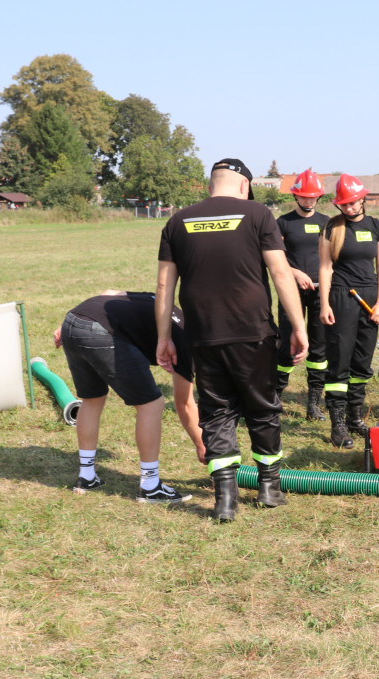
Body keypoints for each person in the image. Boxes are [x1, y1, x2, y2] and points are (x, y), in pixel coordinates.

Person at [156, 158, 309, 522]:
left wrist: (165, 337)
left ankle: (225, 499)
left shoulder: (177, 221)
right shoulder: (257, 214)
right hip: (252, 331)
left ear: (212, 185)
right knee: (262, 407)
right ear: (244, 186)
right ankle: (269, 488)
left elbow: (164, 286)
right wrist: (299, 327)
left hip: (202, 335)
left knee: (216, 411)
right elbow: (280, 272)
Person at [54, 290, 204, 502]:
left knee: (92, 399)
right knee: (151, 404)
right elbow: (184, 404)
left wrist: (73, 327)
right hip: (101, 331)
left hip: (74, 320)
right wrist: (202, 445)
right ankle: (151, 486)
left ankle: (87, 477)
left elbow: (110, 293)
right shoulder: (187, 341)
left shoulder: (162, 302)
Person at [318, 173, 379, 449]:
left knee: (362, 362)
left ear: (363, 199)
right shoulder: (331, 228)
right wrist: (324, 303)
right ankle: (337, 425)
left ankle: (354, 417)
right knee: (339, 361)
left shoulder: (376, 226)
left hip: (370, 299)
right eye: (344, 204)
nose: (349, 208)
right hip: (341, 298)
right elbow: (325, 267)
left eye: (354, 202)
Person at [275, 169, 330, 421]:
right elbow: (275, 257)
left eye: (313, 197)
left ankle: (313, 404)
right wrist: (295, 273)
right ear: (295, 196)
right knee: (287, 344)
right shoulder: (282, 223)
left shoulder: (327, 222)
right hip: (291, 291)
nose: (309, 201)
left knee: (319, 349)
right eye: (304, 197)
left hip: (321, 292)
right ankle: (274, 397)